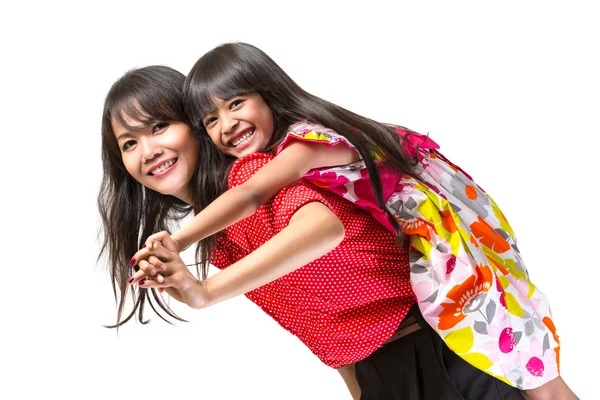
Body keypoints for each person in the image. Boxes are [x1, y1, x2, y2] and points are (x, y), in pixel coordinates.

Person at [99, 63, 577, 399]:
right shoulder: (220, 239)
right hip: (383, 374)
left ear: (194, 127)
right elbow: (320, 326)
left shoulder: (250, 176)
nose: (148, 150)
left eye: (160, 126)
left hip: (441, 347)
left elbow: (322, 227)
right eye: (128, 143)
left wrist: (204, 291)